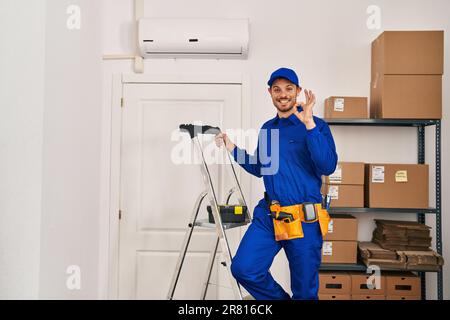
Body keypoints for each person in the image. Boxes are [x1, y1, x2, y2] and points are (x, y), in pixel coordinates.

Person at [215, 67, 338, 300]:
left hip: (304, 219)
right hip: (270, 216)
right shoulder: (268, 128)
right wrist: (231, 147)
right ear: (270, 93)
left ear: (298, 91)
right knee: (244, 268)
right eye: (277, 89)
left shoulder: (317, 125)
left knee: (304, 292)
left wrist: (309, 124)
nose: (283, 94)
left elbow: (327, 166)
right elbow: (261, 167)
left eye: (289, 89)